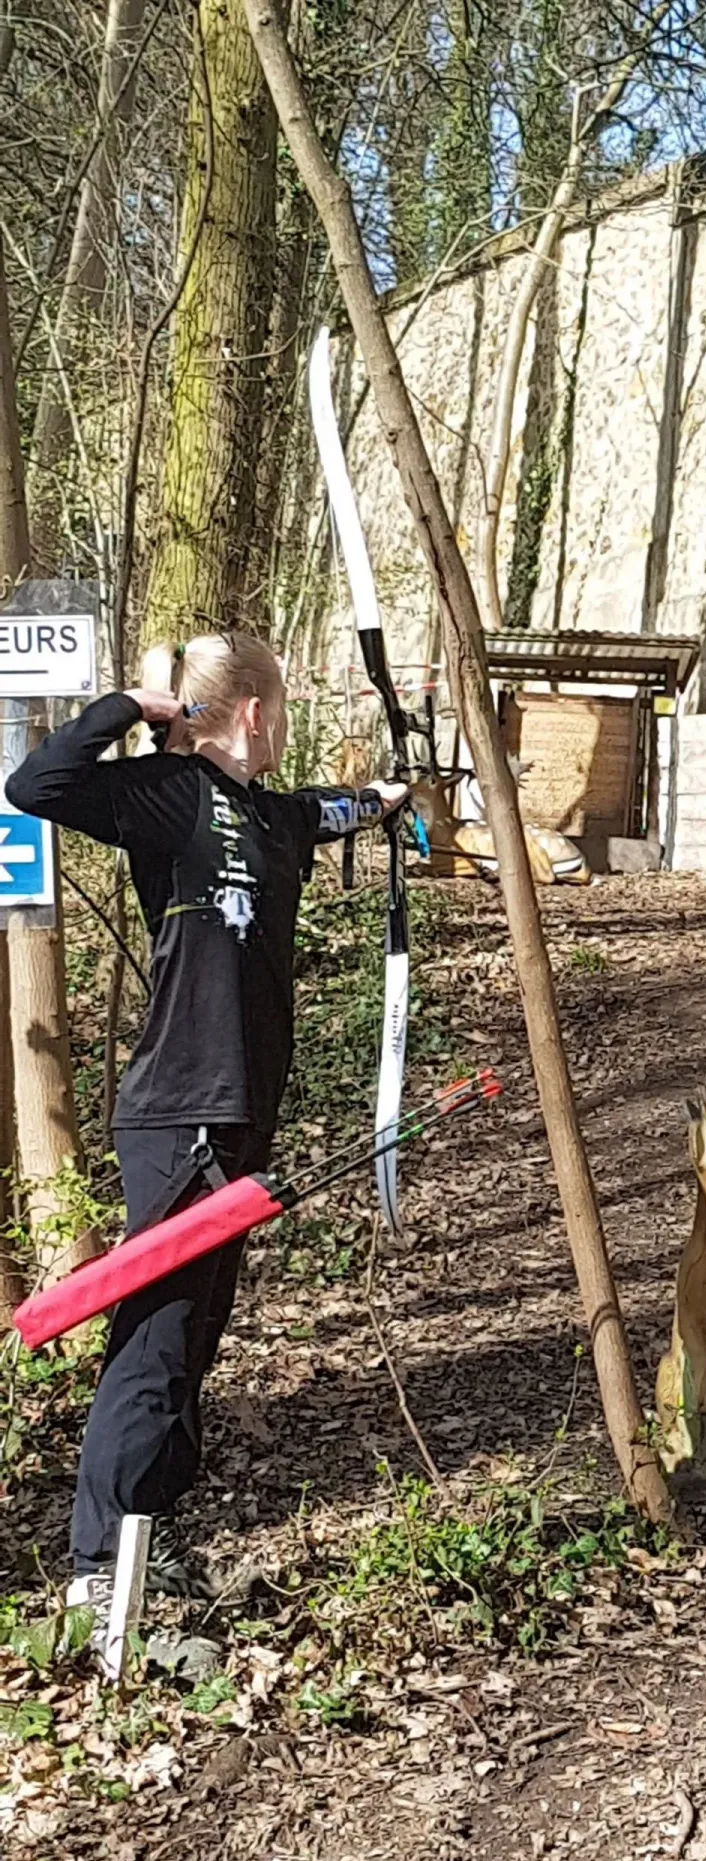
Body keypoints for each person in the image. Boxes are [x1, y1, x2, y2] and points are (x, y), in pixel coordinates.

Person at [5, 632, 407, 1611]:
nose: (286, 728)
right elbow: (35, 784)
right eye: (284, 711)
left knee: (194, 1335)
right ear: (258, 714)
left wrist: (389, 799)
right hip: (179, 1109)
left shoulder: (273, 816)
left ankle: (145, 1542)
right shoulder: (171, 794)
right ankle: (98, 1569)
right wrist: (135, 710)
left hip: (237, 1112)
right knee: (158, 1335)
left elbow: (331, 810)